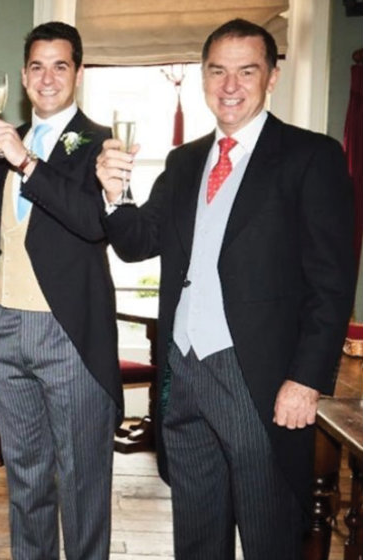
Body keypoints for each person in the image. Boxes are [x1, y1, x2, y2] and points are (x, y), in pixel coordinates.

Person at [95, 19, 356, 560]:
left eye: (246, 71)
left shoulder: (312, 156)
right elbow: (137, 244)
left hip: (257, 379)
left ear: (273, 77)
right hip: (183, 372)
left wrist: (305, 380)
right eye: (218, 71)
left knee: (268, 536)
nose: (230, 85)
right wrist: (115, 194)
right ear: (203, 77)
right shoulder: (185, 160)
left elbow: (332, 282)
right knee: (195, 532)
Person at [0, 21, 120, 560]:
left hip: (69, 332)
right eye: (37, 66)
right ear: (22, 75)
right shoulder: (7, 141)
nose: (48, 77)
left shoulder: (101, 141)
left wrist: (27, 161)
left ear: (78, 73)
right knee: (26, 480)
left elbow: (93, 221)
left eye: (61, 65)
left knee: (82, 484)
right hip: (5, 328)